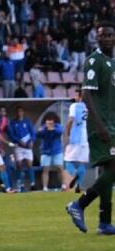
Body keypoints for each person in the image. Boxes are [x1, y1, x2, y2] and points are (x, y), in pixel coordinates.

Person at [67, 24, 115, 234]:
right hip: (101, 126)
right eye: (102, 35)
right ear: (96, 38)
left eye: (110, 35)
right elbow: (86, 94)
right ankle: (79, 204)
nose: (106, 38)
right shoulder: (94, 61)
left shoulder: (111, 62)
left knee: (108, 169)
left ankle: (104, 222)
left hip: (111, 123)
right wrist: (101, 127)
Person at [65, 89, 89, 192]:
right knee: (82, 163)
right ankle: (79, 185)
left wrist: (68, 133)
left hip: (75, 138)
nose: (74, 97)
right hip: (85, 138)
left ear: (80, 97)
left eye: (76, 95)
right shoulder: (87, 107)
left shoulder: (74, 106)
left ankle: (75, 174)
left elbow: (71, 120)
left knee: (67, 161)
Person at [7, 105, 36, 192]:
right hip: (19, 147)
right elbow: (11, 135)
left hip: (27, 146)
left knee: (29, 164)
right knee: (19, 165)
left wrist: (32, 141)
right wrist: (18, 141)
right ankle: (21, 184)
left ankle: (33, 183)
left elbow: (33, 132)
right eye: (18, 111)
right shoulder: (13, 123)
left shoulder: (27, 122)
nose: (20, 113)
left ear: (23, 112)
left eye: (21, 111)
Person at [35, 115, 66, 192]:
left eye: (51, 120)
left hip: (57, 150)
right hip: (46, 151)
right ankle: (45, 187)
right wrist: (45, 129)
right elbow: (38, 134)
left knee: (60, 167)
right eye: (48, 121)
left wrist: (52, 129)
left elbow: (60, 132)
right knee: (45, 169)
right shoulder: (43, 128)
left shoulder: (58, 127)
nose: (50, 122)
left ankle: (63, 185)